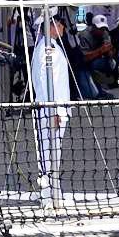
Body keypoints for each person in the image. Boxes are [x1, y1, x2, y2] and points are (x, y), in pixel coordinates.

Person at [30, 14, 72, 209]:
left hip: (53, 107)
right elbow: (49, 81)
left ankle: (52, 191)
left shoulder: (50, 47)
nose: (63, 28)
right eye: (60, 24)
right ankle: (49, 194)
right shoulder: (47, 49)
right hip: (51, 108)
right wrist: (54, 109)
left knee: (52, 151)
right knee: (49, 152)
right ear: (51, 26)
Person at [76, 14, 116, 99]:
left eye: (103, 29)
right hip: (83, 65)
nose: (102, 31)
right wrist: (101, 50)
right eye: (100, 29)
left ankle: (101, 83)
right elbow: (84, 58)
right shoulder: (83, 35)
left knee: (112, 63)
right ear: (93, 27)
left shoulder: (105, 33)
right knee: (91, 94)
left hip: (96, 62)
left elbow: (111, 54)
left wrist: (110, 51)